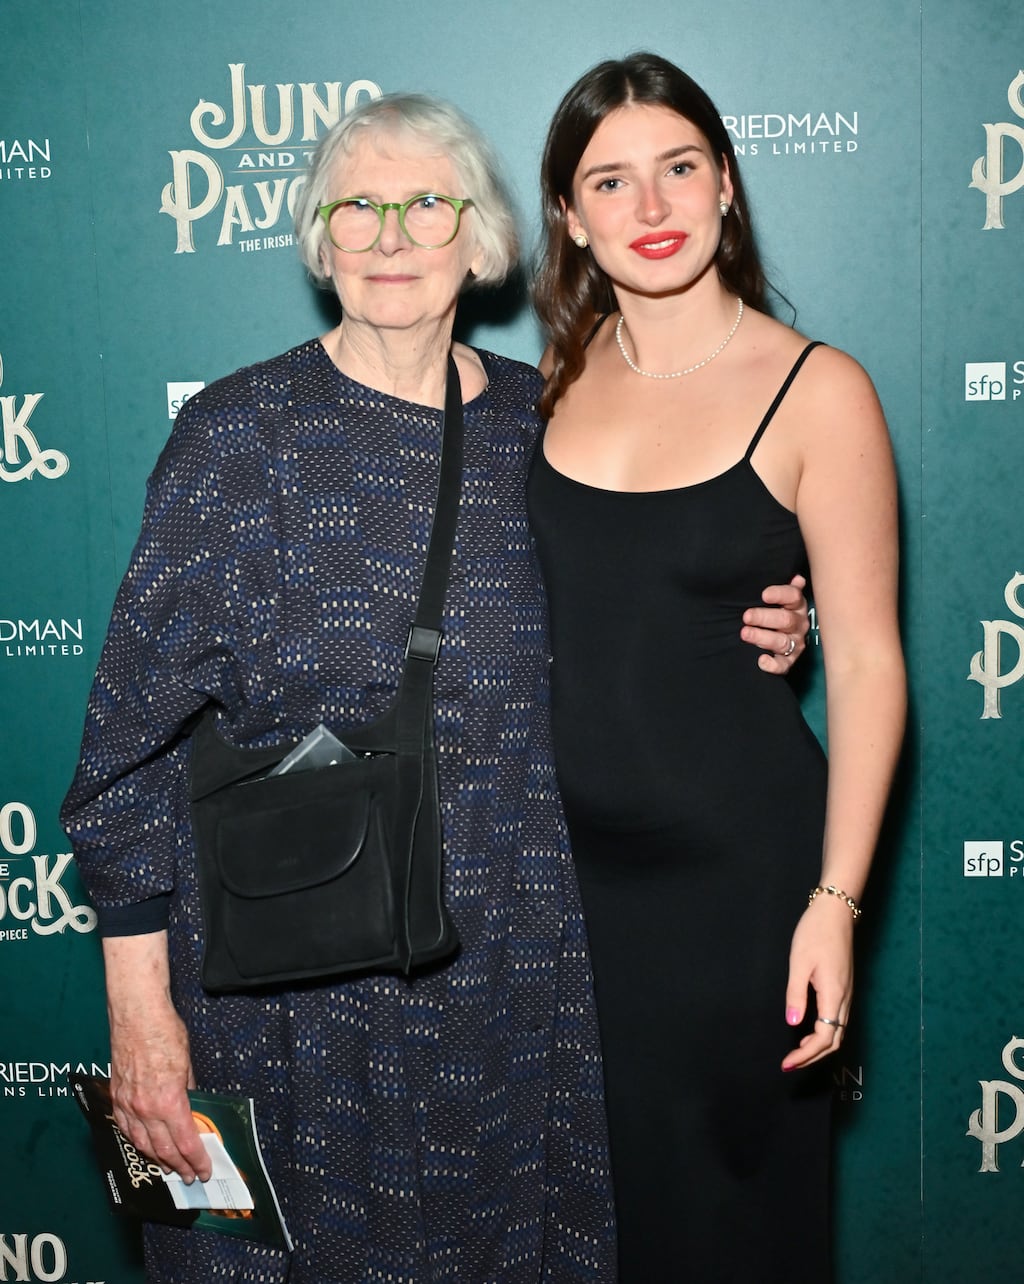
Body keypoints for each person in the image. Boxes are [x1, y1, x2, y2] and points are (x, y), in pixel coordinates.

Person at [61, 91, 808, 1282]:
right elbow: (126, 758)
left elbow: (644, 604)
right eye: (356, 207)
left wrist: (766, 615)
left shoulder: (548, 426)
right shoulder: (236, 435)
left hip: (512, 988)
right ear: (318, 237)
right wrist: (141, 1019)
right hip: (289, 1002)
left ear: (483, 234)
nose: (391, 236)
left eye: (425, 204)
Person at [527, 53, 906, 1284]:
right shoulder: (541, 388)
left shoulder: (818, 390)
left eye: (678, 168)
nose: (651, 209)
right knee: (597, 1232)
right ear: (570, 220)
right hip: (566, 903)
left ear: (726, 185)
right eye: (612, 181)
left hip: (747, 893)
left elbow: (862, 660)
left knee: (741, 1229)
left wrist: (836, 907)